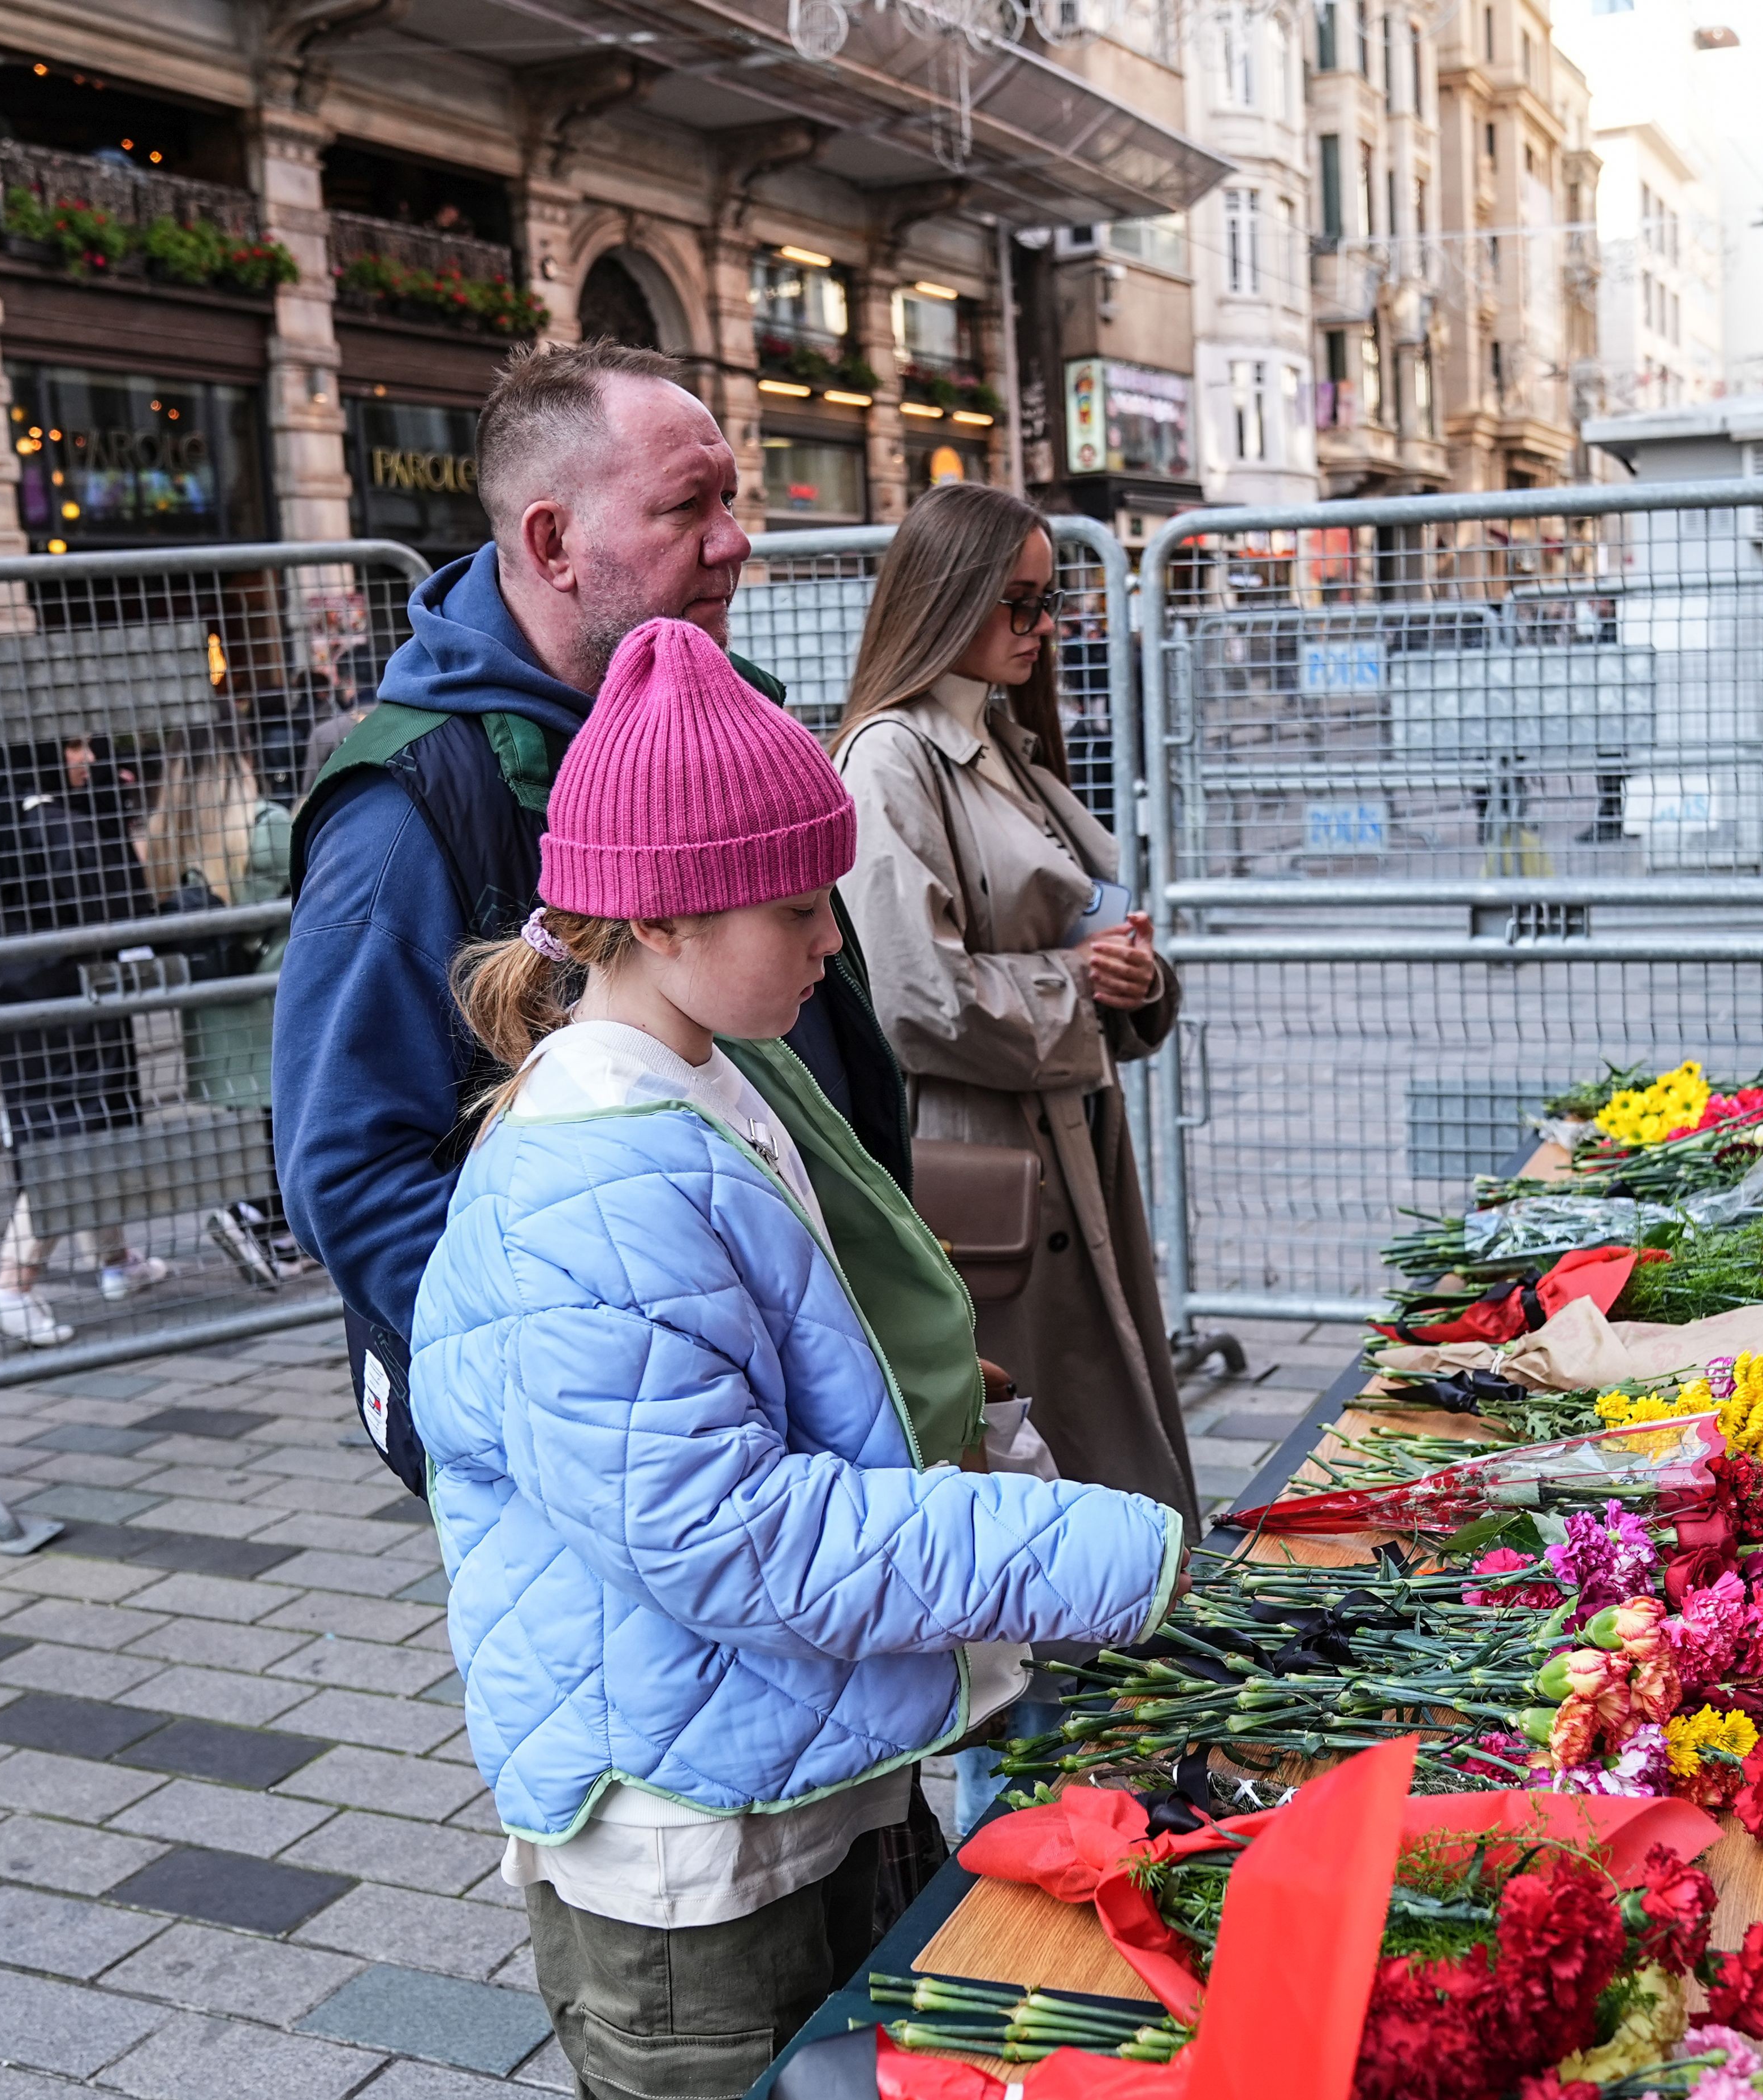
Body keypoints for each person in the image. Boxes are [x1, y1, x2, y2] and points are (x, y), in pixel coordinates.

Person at [413, 614, 1182, 2100]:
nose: (834, 939)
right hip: (695, 1859)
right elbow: (733, 1535)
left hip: (801, 1767)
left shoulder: (715, 1067)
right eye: (796, 908)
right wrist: (1057, 1548)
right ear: (662, 921)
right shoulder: (600, 1179)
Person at [278, 339, 951, 1503]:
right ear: (552, 544)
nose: (736, 540)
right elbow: (348, 1169)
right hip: (644, 1451)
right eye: (688, 507)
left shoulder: (727, 726)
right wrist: (601, 1387)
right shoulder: (410, 808)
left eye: (730, 500)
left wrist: (866, 1339)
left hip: (800, 1402)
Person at [831, 483, 1199, 1522]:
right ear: (946, 597)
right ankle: (1062, 1654)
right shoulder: (890, 759)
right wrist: (1080, 988)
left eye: (1050, 600)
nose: (1045, 627)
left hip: (1064, 1139)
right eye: (1020, 603)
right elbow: (911, 994)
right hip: (985, 1154)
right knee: (1026, 1432)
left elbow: (1078, 926)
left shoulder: (1004, 743)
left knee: (1080, 1412)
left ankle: (1112, 1623)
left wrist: (1134, 978)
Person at [0, 737, 171, 1347]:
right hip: (74, 1000)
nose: (85, 759)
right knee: (76, 1131)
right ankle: (12, 1283)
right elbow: (116, 912)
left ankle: (114, 1259)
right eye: (75, 748)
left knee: (80, 1125)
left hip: (21, 997)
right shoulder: (61, 825)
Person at [137, 737, 306, 1287]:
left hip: (219, 1008)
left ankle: (276, 1232)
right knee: (292, 1119)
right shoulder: (264, 826)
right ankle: (256, 1215)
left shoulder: (170, 833)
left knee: (266, 1123)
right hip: (276, 996)